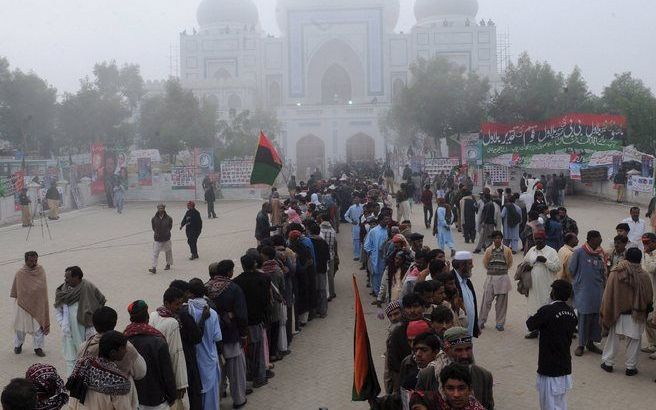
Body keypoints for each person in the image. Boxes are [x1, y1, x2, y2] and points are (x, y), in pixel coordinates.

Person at [76, 306, 146, 410]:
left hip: (91, 401)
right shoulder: (124, 347)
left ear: (94, 324)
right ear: (115, 322)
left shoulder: (84, 347)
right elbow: (141, 372)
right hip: (122, 399)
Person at [600, 248, 653, 376]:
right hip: (636, 314)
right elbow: (649, 297)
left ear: (626, 258)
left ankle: (608, 363)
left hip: (617, 312)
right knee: (634, 341)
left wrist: (605, 310)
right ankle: (630, 368)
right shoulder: (644, 275)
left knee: (613, 339)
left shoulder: (615, 272)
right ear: (640, 259)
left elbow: (608, 295)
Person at [526, 280, 578, 410]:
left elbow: (530, 324)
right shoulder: (572, 312)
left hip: (549, 366)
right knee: (560, 402)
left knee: (548, 404)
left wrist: (544, 308)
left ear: (553, 293)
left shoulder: (547, 310)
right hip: (564, 365)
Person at [205, 260, 250, 409]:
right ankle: (239, 399)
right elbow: (241, 314)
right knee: (236, 371)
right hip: (231, 334)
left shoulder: (207, 288)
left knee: (218, 371)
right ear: (229, 272)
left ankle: (217, 398)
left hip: (213, 338)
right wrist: (244, 334)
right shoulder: (234, 289)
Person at [415, 327, 494, 410]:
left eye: (468, 349)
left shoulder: (483, 375)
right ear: (446, 350)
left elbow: (489, 406)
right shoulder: (428, 375)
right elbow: (417, 402)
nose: (465, 355)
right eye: (459, 350)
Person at [124, 300, 177, 409]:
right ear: (147, 317)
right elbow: (167, 374)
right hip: (157, 400)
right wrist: (172, 396)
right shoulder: (159, 340)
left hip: (134, 400)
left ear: (131, 318)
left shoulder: (123, 340)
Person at [54, 266, 106, 375]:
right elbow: (58, 311)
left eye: (68, 278)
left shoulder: (88, 287)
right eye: (65, 277)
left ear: (77, 277)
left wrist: (92, 323)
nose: (65, 280)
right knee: (70, 359)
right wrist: (63, 324)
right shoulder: (62, 292)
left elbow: (100, 301)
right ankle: (71, 382)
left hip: (86, 331)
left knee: (86, 358)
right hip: (69, 332)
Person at [233, 254, 271, 388]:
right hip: (257, 320)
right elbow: (266, 300)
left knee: (246, 350)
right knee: (258, 350)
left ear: (242, 266)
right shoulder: (263, 278)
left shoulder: (236, 282)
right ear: (255, 264)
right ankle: (259, 378)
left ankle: (249, 374)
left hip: (243, 322)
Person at [67, 331, 133, 409]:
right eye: (123, 348)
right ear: (113, 353)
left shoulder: (83, 366)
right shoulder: (119, 382)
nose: (126, 351)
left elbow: (72, 401)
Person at [149, 287, 190, 409]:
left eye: (181, 304)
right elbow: (176, 353)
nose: (180, 307)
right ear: (167, 303)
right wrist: (181, 383)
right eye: (177, 304)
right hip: (170, 371)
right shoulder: (173, 323)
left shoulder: (154, 314)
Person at [569, 230, 606, 356]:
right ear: (590, 239)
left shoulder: (600, 254)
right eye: (598, 239)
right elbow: (571, 270)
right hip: (583, 291)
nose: (600, 241)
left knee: (596, 318)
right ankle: (581, 345)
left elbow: (603, 272)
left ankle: (591, 343)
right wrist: (579, 282)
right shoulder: (579, 252)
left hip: (597, 292)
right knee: (584, 318)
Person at [187, 279, 223, 410]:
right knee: (211, 399)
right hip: (209, 359)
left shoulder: (187, 311)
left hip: (194, 361)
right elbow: (218, 338)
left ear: (189, 293)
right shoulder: (212, 313)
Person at [11, 251, 49, 357]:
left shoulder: (40, 270)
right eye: (32, 261)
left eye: (36, 260)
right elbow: (17, 290)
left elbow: (43, 288)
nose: (34, 262)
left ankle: (38, 347)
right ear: (26, 260)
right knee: (20, 327)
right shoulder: (20, 273)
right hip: (22, 305)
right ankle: (18, 345)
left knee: (38, 327)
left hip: (37, 304)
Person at [524, 231, 561, 339]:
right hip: (533, 287)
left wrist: (545, 260)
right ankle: (534, 329)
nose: (538, 241)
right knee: (533, 308)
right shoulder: (532, 250)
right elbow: (525, 262)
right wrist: (529, 266)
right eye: (536, 239)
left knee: (545, 308)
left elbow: (557, 267)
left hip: (546, 286)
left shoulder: (552, 251)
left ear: (545, 239)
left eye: (540, 239)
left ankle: (545, 331)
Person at [479, 231, 513, 332]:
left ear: (502, 239)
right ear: (493, 239)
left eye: (499, 238)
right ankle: (481, 321)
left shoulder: (507, 250)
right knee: (486, 301)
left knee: (502, 303)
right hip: (491, 278)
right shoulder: (489, 250)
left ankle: (499, 323)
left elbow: (510, 262)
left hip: (503, 279)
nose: (497, 240)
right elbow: (485, 263)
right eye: (496, 238)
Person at [451, 251, 479, 338]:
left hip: (469, 328)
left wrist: (475, 325)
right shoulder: (451, 281)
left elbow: (473, 304)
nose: (472, 266)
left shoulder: (467, 281)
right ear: (462, 265)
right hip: (459, 330)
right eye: (470, 264)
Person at [364, 214, 390, 296]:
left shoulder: (388, 231)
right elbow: (367, 245)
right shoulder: (373, 231)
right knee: (375, 274)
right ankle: (376, 292)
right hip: (375, 257)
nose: (387, 221)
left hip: (385, 257)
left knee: (384, 275)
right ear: (380, 220)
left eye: (388, 219)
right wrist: (372, 253)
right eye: (385, 219)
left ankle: (382, 293)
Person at [640, 232, 656, 358]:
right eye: (643, 242)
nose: (645, 245)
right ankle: (652, 344)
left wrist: (647, 254)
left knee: (654, 320)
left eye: (647, 242)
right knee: (647, 318)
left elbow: (651, 268)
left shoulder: (649, 254)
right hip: (647, 291)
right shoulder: (647, 254)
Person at [150, 203, 173, 274]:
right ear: (157, 209)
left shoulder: (169, 218)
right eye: (159, 208)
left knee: (168, 252)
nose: (161, 210)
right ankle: (154, 267)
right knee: (155, 253)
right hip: (157, 238)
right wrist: (157, 233)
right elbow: (153, 227)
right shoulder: (154, 218)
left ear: (164, 209)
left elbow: (170, 227)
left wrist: (166, 232)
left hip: (166, 238)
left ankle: (168, 264)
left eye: (162, 208)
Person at [344, 195, 364, 261]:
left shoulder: (363, 206)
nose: (356, 200)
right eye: (355, 199)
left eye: (358, 199)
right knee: (356, 241)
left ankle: (362, 256)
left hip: (363, 225)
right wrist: (351, 221)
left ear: (360, 199)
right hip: (355, 226)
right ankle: (356, 255)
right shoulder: (351, 207)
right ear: (354, 200)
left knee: (363, 240)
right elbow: (345, 216)